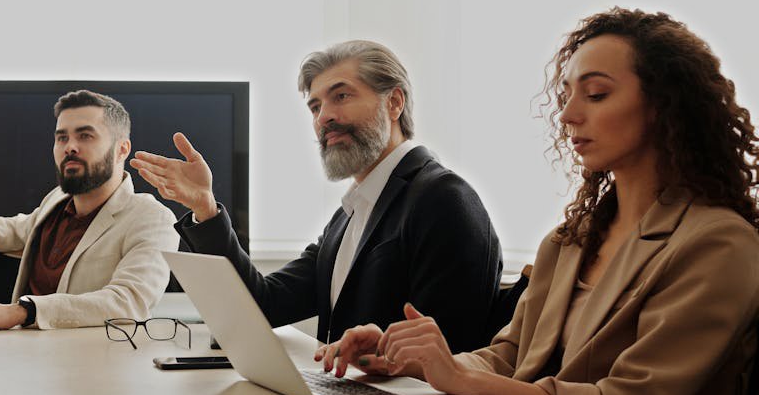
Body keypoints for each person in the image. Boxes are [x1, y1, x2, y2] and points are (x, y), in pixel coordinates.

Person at [325, 8, 759, 395]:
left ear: (666, 105)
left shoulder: (718, 245)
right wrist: (410, 361)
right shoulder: (572, 238)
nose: (570, 114)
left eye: (596, 94)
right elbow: (510, 358)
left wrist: (463, 380)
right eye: (568, 95)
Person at [130, 40, 503, 352]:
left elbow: (449, 354)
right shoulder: (349, 216)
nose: (324, 116)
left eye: (341, 96)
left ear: (394, 103)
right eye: (315, 106)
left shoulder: (444, 199)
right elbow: (264, 305)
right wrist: (205, 209)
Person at [0, 90, 179, 330]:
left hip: (79, 356)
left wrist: (24, 310)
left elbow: (128, 302)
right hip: (20, 344)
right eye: (62, 138)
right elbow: (15, 228)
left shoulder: (152, 218)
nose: (70, 147)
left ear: (122, 149)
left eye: (85, 136)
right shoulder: (57, 200)